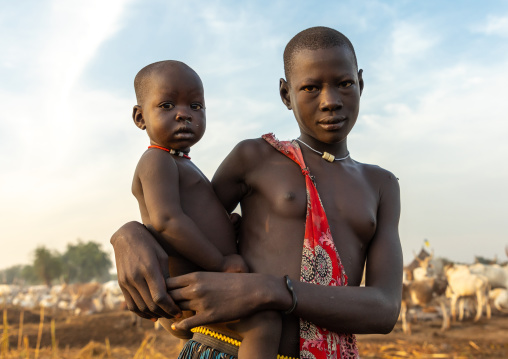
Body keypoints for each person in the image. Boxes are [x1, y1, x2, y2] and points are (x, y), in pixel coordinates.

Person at [111, 27, 403, 359]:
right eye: (309, 87)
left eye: (345, 83)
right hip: (226, 348)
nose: (330, 101)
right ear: (285, 94)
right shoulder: (254, 158)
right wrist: (128, 235)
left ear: (360, 84)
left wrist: (271, 290)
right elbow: (185, 226)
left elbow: (385, 307)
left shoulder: (381, 185)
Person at [128, 60, 281, 359]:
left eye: (196, 106)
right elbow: (166, 221)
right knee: (263, 321)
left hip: (198, 279)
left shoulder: (180, 161)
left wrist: (226, 224)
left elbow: (196, 214)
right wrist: (221, 262)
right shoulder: (155, 161)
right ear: (140, 117)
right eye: (168, 105)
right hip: (188, 283)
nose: (184, 113)